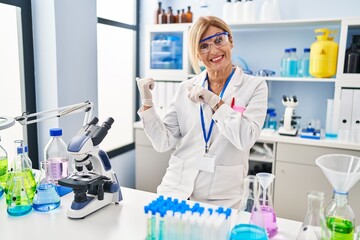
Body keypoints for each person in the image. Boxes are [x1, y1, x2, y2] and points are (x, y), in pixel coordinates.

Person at [136, 16, 268, 208]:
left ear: (230, 41)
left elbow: (245, 137)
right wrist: (148, 103)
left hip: (221, 196)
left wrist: (215, 101)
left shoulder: (254, 86)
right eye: (204, 46)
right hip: (176, 188)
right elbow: (164, 142)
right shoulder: (186, 87)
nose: (213, 50)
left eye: (218, 40)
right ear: (197, 54)